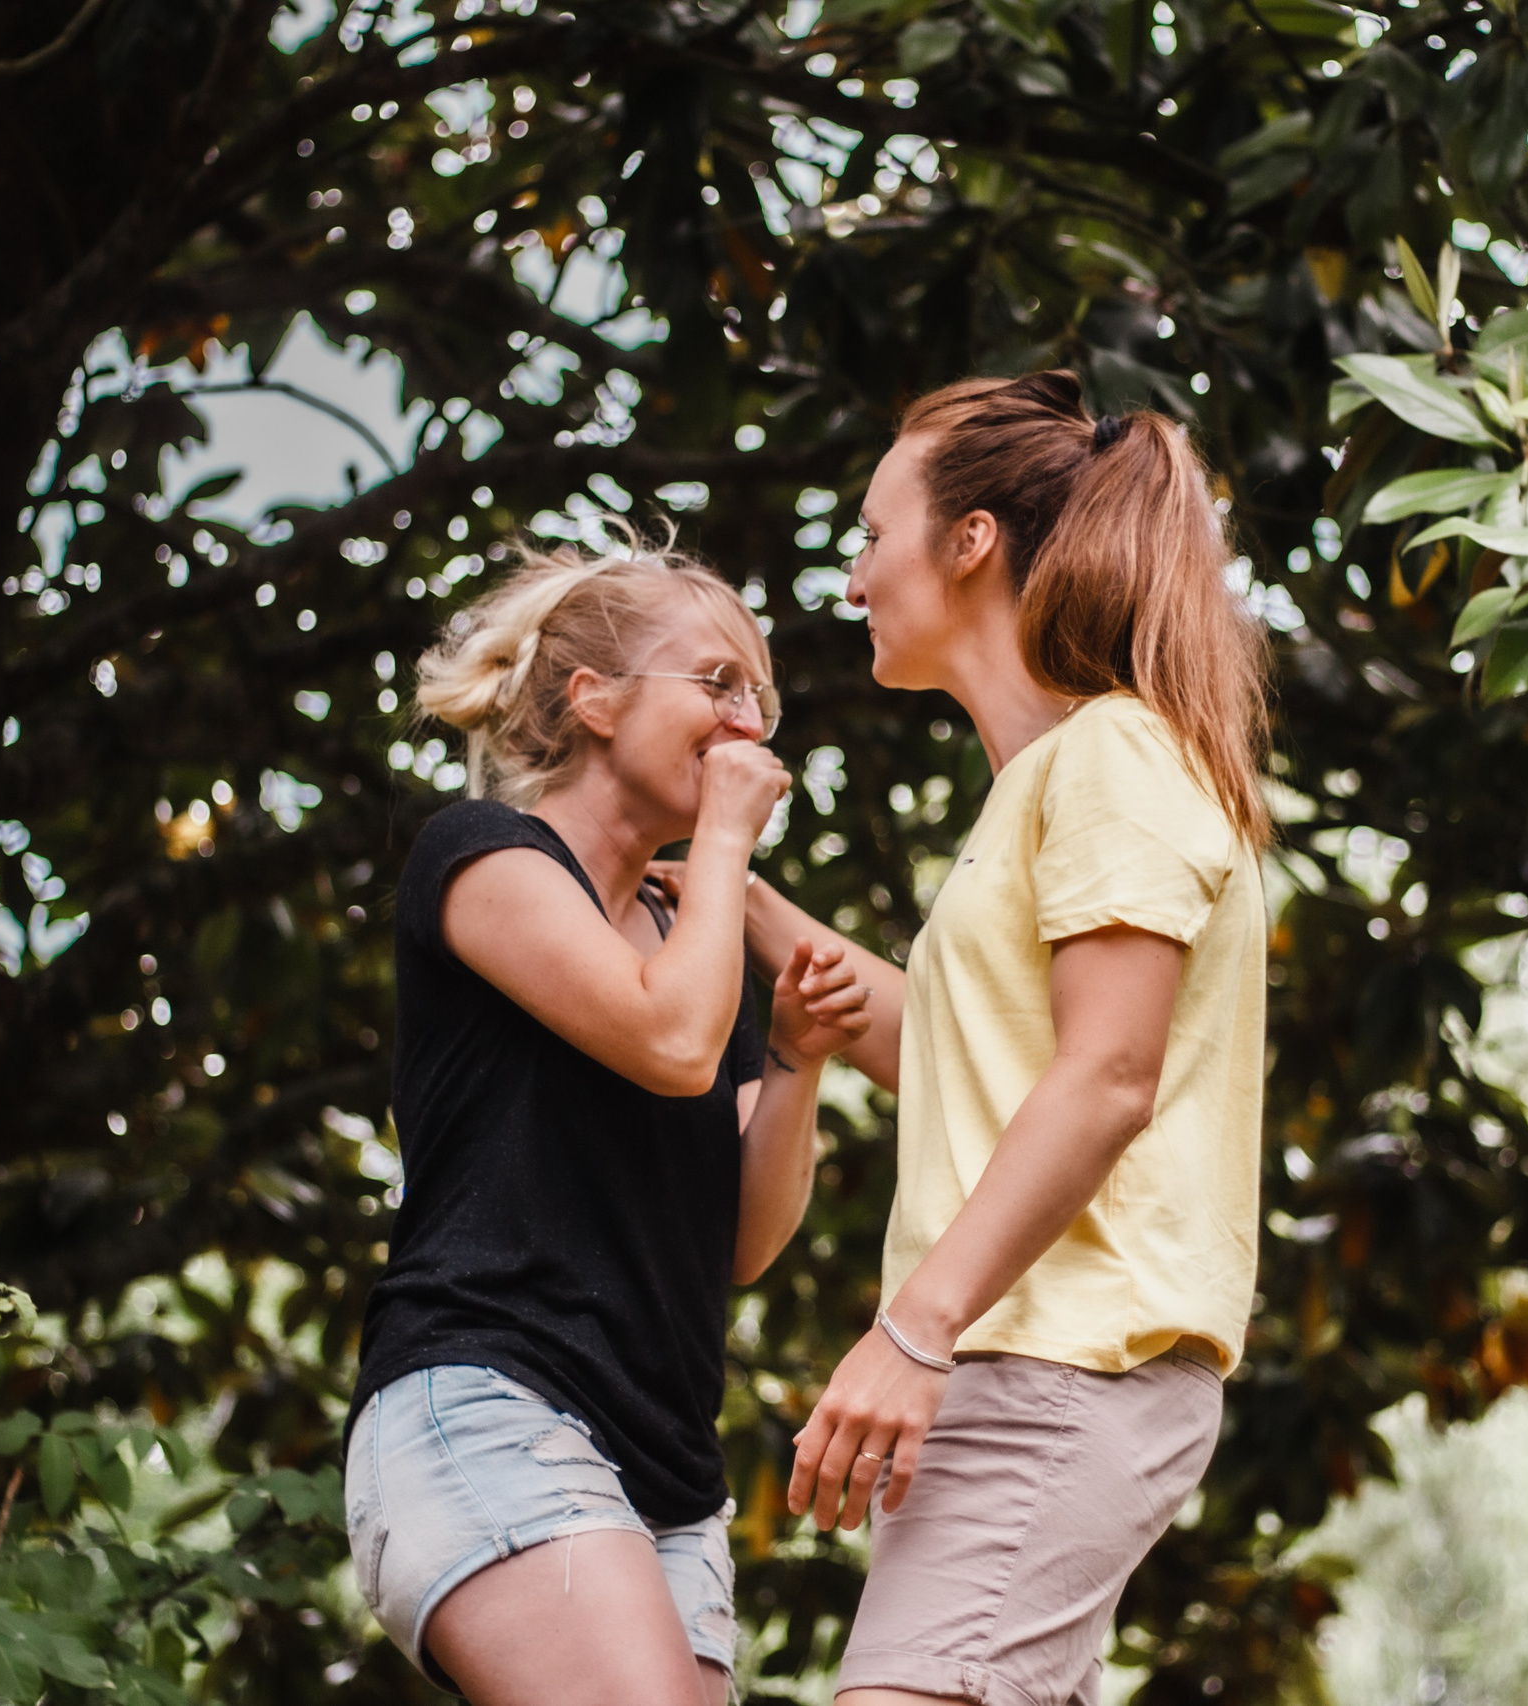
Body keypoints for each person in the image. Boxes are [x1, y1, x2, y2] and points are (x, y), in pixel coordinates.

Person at [748, 371, 1274, 1706]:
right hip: (1033, 1364)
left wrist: (911, 1332)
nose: (855, 578)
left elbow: (1106, 1075)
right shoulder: (1052, 782)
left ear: (970, 540)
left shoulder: (1116, 757)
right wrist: (706, 875)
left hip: (1059, 1363)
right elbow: (951, 1045)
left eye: (873, 535)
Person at [344, 534, 872, 1706]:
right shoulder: (483, 854)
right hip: (491, 1394)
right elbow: (672, 1043)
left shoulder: (695, 944)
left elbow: (739, 1240)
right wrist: (726, 840)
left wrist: (794, 1059)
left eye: (761, 695)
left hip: (667, 1472)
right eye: (716, 682)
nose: (749, 722)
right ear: (592, 700)